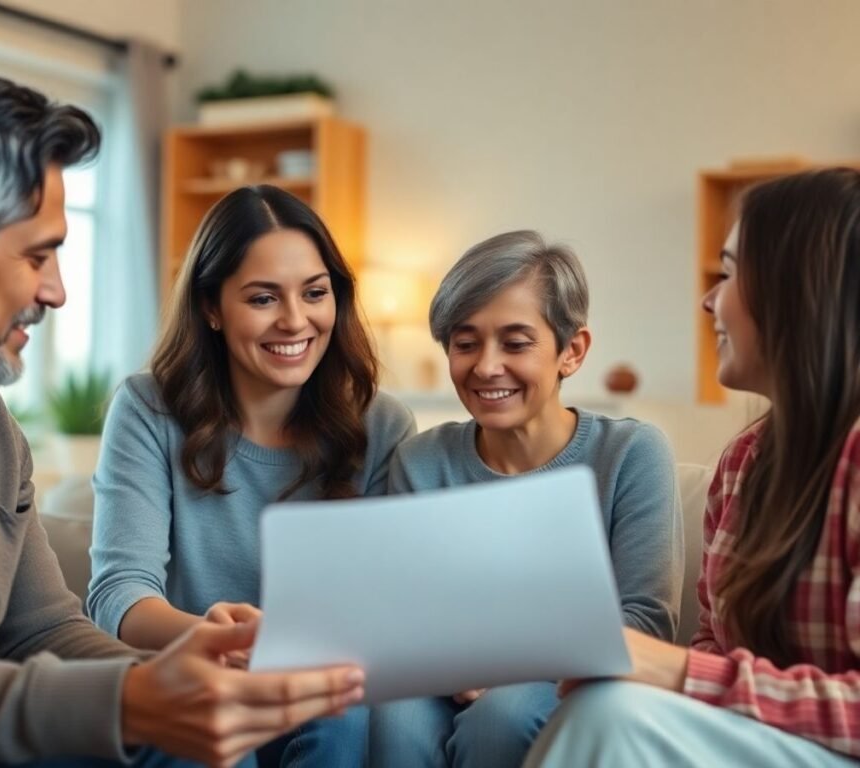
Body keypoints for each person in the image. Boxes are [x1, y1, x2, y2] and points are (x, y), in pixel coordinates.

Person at [0, 61, 365, 768]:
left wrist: (170, 677)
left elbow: (41, 627)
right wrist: (135, 702)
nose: (56, 292)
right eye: (38, 255)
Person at [524, 167, 860, 767]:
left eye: (728, 274)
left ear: (798, 292)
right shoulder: (742, 464)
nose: (708, 300)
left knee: (613, 720)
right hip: (767, 745)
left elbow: (695, 665)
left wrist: (671, 669)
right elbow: (713, 643)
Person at [87, 185, 416, 767]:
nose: (295, 321)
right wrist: (214, 638)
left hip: (327, 694)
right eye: (263, 298)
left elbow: (392, 605)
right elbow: (119, 593)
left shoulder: (383, 424)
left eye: (315, 293)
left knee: (345, 716)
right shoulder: (146, 409)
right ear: (212, 307)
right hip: (202, 678)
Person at [368, 230, 683, 767]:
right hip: (446, 676)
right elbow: (406, 617)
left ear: (572, 352)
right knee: (391, 715)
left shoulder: (632, 452)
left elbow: (647, 621)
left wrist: (507, 667)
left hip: (580, 680)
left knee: (504, 715)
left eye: (515, 343)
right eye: (466, 344)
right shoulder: (420, 462)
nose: (487, 367)